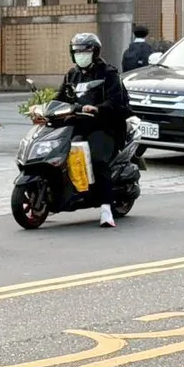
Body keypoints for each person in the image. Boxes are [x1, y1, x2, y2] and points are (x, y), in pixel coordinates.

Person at [43, 32, 130, 229]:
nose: (81, 55)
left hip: (104, 125)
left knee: (98, 160)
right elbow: (60, 99)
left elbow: (115, 101)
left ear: (95, 52)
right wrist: (46, 110)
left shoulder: (108, 73)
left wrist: (98, 108)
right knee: (56, 151)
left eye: (85, 51)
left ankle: (106, 209)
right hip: (78, 123)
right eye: (77, 52)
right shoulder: (72, 75)